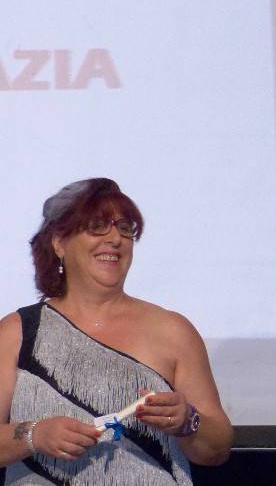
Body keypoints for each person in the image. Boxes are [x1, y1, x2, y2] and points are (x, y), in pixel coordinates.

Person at [0, 178, 232, 485]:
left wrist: (188, 422)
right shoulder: (17, 332)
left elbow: (217, 449)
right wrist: (34, 435)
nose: (115, 239)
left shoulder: (173, 331)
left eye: (125, 229)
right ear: (59, 242)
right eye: (97, 226)